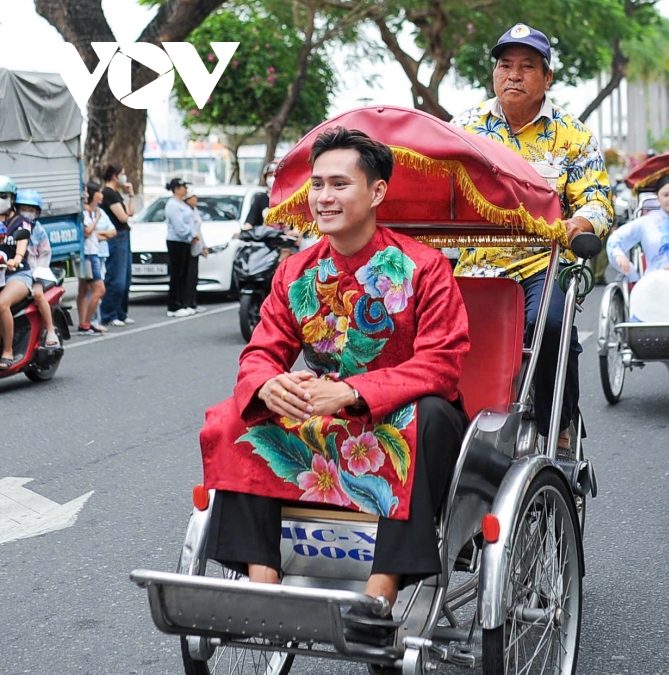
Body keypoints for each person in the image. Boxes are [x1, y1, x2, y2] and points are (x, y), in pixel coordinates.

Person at [199, 127, 470, 643]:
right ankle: (265, 587)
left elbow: (443, 362)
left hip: (403, 411)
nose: (324, 197)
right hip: (324, 413)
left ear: (377, 192)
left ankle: (379, 593)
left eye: (340, 184)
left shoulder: (423, 267)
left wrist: (353, 392)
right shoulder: (295, 271)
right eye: (317, 184)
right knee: (237, 413)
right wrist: (267, 384)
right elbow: (261, 351)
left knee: (427, 415)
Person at [452, 23, 613, 451]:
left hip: (545, 260)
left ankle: (558, 424)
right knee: (430, 327)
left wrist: (582, 222)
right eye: (505, 65)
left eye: (527, 67)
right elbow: (440, 190)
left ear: (547, 78)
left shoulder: (573, 135)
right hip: (478, 263)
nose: (514, 75)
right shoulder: (464, 128)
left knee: (556, 324)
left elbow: (598, 199)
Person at [606, 175, 669, 307]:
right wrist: (618, 254)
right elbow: (617, 238)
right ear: (658, 196)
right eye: (666, 195)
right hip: (653, 285)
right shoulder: (645, 222)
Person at [14, 190, 59, 346]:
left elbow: (45, 253)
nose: (27, 213)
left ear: (37, 212)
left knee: (39, 295)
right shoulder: (12, 227)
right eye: (24, 208)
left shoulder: (38, 230)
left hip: (34, 273)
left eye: (31, 210)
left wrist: (38, 272)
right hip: (13, 273)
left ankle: (51, 330)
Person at [0, 176, 34, 369]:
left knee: (2, 303)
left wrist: (16, 259)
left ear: (12, 198)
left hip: (17, 275)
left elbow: (21, 247)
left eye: (3, 196)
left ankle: (8, 350)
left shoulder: (21, 223)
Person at [98, 163, 136, 327]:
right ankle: (109, 313)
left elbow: (131, 212)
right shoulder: (108, 193)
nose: (124, 177)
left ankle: (121, 312)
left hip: (124, 235)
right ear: (115, 176)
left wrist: (131, 195)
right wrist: (126, 212)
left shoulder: (116, 194)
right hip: (116, 236)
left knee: (126, 277)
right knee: (116, 278)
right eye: (122, 174)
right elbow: (123, 217)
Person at [79, 182, 115, 335]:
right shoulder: (87, 213)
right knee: (99, 290)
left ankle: (85, 323)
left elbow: (112, 232)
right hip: (89, 254)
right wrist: (96, 220)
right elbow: (87, 232)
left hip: (94, 252)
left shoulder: (94, 211)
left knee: (85, 289)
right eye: (98, 192)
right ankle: (87, 323)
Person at [165, 178, 199, 317]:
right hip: (177, 241)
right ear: (177, 189)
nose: (185, 189)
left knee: (184, 273)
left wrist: (192, 235)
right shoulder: (172, 205)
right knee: (176, 273)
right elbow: (179, 226)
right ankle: (173, 305)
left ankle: (183, 302)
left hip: (186, 241)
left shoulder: (182, 204)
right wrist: (190, 234)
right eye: (183, 187)